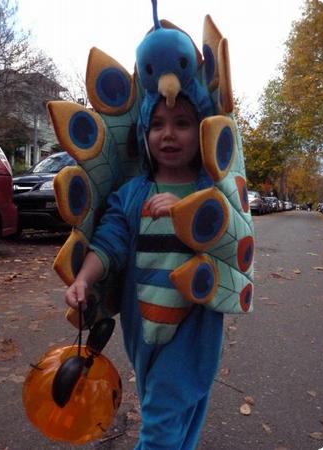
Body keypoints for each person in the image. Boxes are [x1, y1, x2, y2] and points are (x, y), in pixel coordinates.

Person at [65, 94, 224, 450]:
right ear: (143, 134)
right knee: (169, 411)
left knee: (160, 419)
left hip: (193, 328)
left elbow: (230, 244)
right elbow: (109, 243)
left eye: (182, 123)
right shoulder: (132, 194)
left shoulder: (211, 193)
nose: (168, 134)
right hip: (143, 327)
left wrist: (187, 210)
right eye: (157, 124)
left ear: (202, 132)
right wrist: (84, 279)